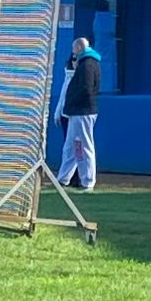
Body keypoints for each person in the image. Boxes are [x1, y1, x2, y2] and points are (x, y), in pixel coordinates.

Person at [56, 37, 101, 192]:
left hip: (83, 111)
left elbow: (86, 89)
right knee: (71, 146)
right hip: (77, 111)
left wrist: (72, 102)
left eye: (74, 49)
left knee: (85, 146)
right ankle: (63, 179)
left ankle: (88, 181)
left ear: (79, 48)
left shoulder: (88, 64)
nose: (73, 52)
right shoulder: (84, 63)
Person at [53, 51, 80, 188]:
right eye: (73, 59)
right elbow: (63, 95)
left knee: (78, 146)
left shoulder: (82, 76)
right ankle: (70, 176)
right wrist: (58, 112)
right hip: (66, 115)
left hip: (76, 115)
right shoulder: (68, 76)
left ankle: (79, 176)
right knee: (68, 147)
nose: (75, 61)